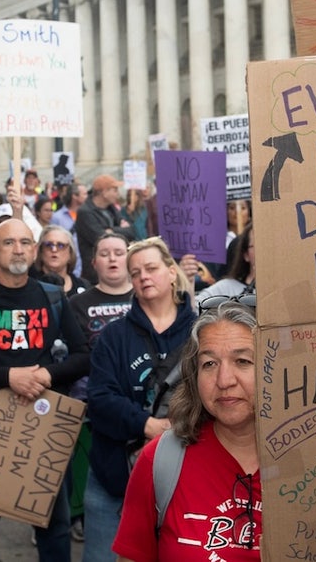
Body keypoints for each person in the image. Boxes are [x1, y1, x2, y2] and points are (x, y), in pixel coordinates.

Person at [0, 217, 90, 562]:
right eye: (9, 242)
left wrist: (46, 375)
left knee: (55, 528)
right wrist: (9, 377)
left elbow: (83, 357)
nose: (18, 248)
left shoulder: (53, 297)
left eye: (25, 242)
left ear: (34, 250)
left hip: (43, 432)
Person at [114, 301, 261, 560]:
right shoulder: (160, 459)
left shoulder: (315, 460)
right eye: (209, 364)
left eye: (242, 360)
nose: (225, 380)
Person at [83, 237, 197, 562]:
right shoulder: (114, 336)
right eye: (136, 273)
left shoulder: (201, 331)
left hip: (183, 476)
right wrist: (149, 425)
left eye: (151, 268)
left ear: (172, 272)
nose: (144, 277)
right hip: (114, 476)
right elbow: (100, 398)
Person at [67, 232, 134, 540]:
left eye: (118, 252)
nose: (112, 258)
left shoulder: (145, 296)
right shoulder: (77, 304)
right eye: (105, 253)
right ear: (93, 263)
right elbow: (71, 354)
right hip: (94, 408)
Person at [77, 174, 135, 284]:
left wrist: (111, 230)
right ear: (104, 192)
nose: (117, 193)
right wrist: (119, 230)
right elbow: (101, 238)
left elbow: (131, 231)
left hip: (117, 270)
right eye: (114, 190)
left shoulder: (111, 208)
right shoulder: (85, 212)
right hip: (95, 275)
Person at [195, 225, 255, 304]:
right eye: (257, 245)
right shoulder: (225, 289)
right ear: (246, 254)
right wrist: (189, 282)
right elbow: (194, 308)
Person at [33, 225, 89, 297]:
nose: (54, 250)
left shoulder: (84, 286)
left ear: (70, 253)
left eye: (61, 245)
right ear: (41, 251)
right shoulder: (29, 283)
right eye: (48, 245)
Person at [51, 182, 87, 277]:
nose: (87, 197)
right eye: (84, 194)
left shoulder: (89, 216)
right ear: (75, 196)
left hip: (86, 265)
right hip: (68, 267)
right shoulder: (57, 217)